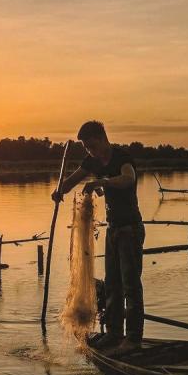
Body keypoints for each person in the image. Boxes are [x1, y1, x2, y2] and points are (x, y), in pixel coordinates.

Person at [52, 120, 144, 355]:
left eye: (91, 145)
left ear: (102, 138)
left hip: (130, 229)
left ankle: (133, 339)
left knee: (130, 285)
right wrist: (59, 191)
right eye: (85, 147)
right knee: (113, 284)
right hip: (113, 229)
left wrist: (102, 182)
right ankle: (114, 333)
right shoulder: (92, 161)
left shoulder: (121, 158)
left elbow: (128, 179)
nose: (89, 151)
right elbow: (72, 180)